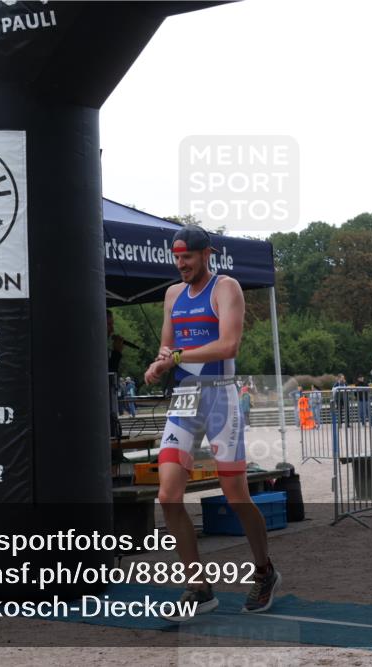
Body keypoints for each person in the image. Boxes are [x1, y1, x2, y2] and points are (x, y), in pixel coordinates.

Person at [143, 224, 280, 619]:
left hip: (220, 395)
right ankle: (199, 587)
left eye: (187, 257)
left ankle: (265, 570)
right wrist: (159, 363)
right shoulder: (172, 294)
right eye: (176, 258)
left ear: (207, 254)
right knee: (168, 496)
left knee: (236, 494)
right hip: (186, 398)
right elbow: (167, 346)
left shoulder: (226, 288)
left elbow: (228, 344)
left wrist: (178, 358)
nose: (181, 264)